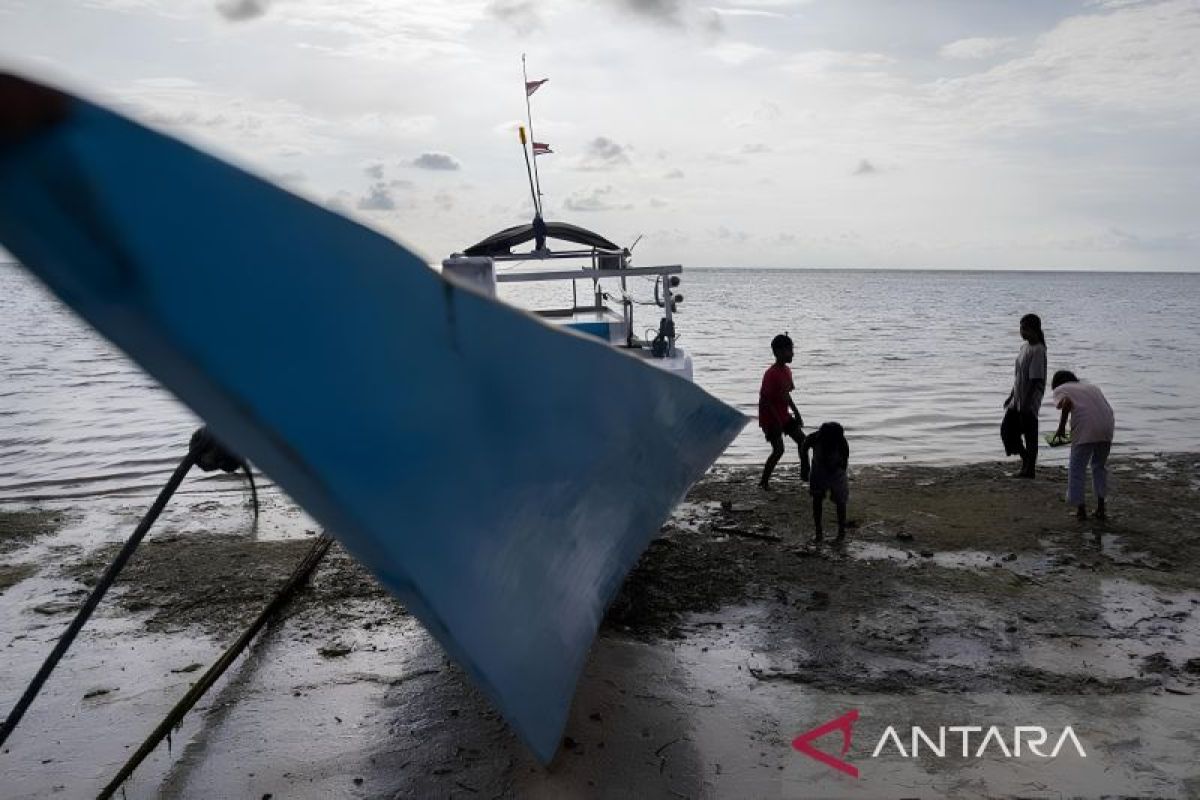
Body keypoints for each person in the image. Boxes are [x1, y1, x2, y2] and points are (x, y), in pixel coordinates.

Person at [1050, 370, 1115, 521]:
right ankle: (1101, 508)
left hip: (1086, 427)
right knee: (1099, 466)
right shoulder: (1092, 387)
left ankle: (1081, 510)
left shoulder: (1062, 389)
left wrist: (1061, 428)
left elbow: (1066, 403)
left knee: (1077, 468)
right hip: (1107, 426)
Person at [758, 333, 809, 491]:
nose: (792, 353)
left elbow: (786, 395)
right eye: (789, 350)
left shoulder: (787, 371)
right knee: (779, 450)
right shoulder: (771, 373)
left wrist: (796, 413)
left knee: (803, 441)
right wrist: (778, 423)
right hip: (770, 417)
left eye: (792, 349)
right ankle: (764, 481)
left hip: (784, 414)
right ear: (778, 352)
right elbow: (766, 401)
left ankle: (805, 473)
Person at [1001, 313, 1047, 478]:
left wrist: (1026, 405)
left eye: (1024, 328)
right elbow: (1019, 376)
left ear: (1034, 330)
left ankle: (1029, 469)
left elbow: (1035, 380)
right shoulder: (1024, 348)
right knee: (1007, 431)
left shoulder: (1038, 350)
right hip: (1018, 399)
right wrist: (1011, 395)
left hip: (1029, 401)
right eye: (1021, 328)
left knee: (1029, 435)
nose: (1021, 332)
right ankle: (1026, 460)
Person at [802, 422, 850, 543]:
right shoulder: (814, 438)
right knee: (817, 500)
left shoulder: (841, 440)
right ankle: (819, 532)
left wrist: (838, 467)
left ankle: (841, 532)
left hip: (837, 471)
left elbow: (845, 459)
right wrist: (805, 465)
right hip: (818, 470)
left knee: (840, 502)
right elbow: (804, 448)